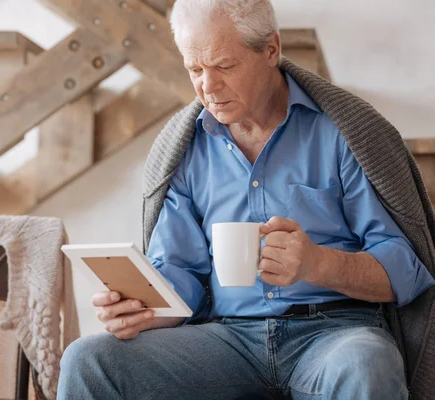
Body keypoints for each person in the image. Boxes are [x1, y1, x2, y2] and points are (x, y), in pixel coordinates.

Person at [57, 0, 435, 399]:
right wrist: (144, 308)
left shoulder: (342, 133)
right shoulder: (186, 147)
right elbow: (181, 271)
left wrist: (317, 262)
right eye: (195, 69)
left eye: (224, 66)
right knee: (88, 360)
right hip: (227, 340)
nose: (208, 86)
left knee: (366, 364)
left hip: (335, 333)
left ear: (271, 49)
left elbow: (407, 270)